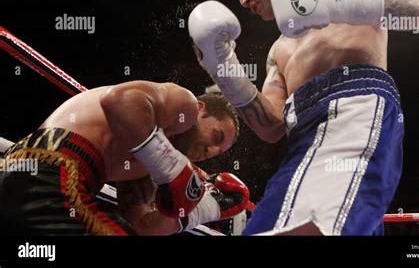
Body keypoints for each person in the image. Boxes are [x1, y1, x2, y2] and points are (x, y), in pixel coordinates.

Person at [188, 0, 419, 235]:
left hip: (351, 111)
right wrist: (223, 69)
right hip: (302, 143)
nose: (242, 2)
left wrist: (331, 2)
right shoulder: (277, 51)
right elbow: (270, 127)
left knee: (310, 229)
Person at [0, 81, 248, 235]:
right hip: (52, 167)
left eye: (220, 152)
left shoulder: (143, 166)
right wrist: (171, 165)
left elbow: (141, 226)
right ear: (201, 111)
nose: (212, 151)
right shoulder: (184, 104)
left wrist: (206, 208)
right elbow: (119, 100)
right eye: (216, 136)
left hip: (27, 179)